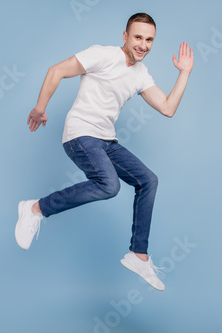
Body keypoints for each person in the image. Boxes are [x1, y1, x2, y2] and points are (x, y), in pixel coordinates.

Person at [15, 12, 193, 291]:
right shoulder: (102, 55)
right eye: (138, 37)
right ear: (125, 36)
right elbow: (56, 71)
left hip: (105, 140)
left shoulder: (141, 74)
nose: (143, 45)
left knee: (149, 180)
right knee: (109, 185)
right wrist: (41, 107)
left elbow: (168, 108)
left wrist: (184, 73)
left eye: (149, 40)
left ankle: (139, 255)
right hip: (80, 134)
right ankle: (36, 208)